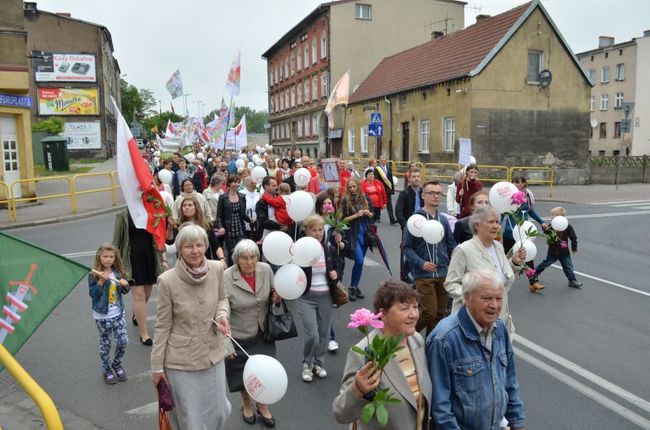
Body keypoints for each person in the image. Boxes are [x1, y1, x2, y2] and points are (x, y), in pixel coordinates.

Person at [150, 223, 232, 430]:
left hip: (213, 352)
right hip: (181, 360)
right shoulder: (167, 281)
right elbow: (162, 326)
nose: (195, 250)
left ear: (205, 245)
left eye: (199, 245)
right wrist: (157, 367)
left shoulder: (216, 269)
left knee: (220, 411)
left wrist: (222, 315)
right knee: (190, 418)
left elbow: (223, 299)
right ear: (179, 249)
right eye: (188, 246)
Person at [427, 270, 527, 430]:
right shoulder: (444, 339)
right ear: (467, 298)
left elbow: (510, 382)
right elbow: (440, 407)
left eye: (498, 298)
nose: (494, 305)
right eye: (487, 298)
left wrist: (518, 423)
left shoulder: (500, 328)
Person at [333, 280, 432, 430]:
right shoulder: (363, 352)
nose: (413, 314)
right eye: (404, 308)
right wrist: (357, 390)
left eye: (415, 307)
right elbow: (341, 413)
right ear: (383, 314)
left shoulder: (416, 340)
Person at [223, 240, 280, 427]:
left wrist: (276, 297)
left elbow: (273, 295)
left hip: (263, 331)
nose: (250, 262)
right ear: (236, 260)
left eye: (253, 257)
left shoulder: (266, 270)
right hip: (238, 335)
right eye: (244, 258)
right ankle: (246, 402)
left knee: (264, 372)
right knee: (242, 374)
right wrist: (225, 343)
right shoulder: (226, 277)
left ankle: (263, 405)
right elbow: (221, 309)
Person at [444, 207, 526, 333]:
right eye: (490, 222)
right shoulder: (463, 250)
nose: (496, 226)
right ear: (477, 225)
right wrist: (473, 298)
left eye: (497, 222)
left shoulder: (498, 247)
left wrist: (514, 263)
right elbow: (450, 284)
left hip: (499, 318)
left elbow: (500, 277)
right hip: (473, 320)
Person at [403, 181, 457, 333]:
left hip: (443, 273)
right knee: (429, 312)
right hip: (424, 274)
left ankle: (431, 347)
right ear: (423, 195)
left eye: (438, 193)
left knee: (439, 315)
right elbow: (407, 248)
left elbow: (451, 245)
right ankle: (404, 334)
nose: (435, 196)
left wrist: (459, 260)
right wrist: (421, 263)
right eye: (431, 193)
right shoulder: (415, 220)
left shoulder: (443, 220)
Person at [113, 209, 165, 346]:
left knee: (147, 294)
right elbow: (116, 241)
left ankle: (137, 313)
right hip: (131, 260)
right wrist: (114, 265)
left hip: (150, 257)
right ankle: (144, 334)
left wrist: (163, 258)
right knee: (139, 295)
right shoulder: (123, 215)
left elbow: (160, 236)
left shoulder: (152, 211)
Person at [297, 215, 338, 382]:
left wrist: (335, 274)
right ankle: (307, 364)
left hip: (325, 296)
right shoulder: (299, 249)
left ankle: (319, 363)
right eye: (314, 230)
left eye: (320, 229)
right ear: (306, 231)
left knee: (323, 333)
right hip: (306, 297)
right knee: (312, 334)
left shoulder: (327, 248)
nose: (318, 233)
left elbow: (336, 267)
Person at [88, 243, 130, 385]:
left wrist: (125, 284)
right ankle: (106, 369)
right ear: (99, 257)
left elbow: (125, 291)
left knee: (123, 341)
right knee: (106, 344)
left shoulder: (117, 273)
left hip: (118, 313)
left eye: (111, 256)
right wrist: (100, 281)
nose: (108, 259)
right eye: (105, 256)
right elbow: (93, 295)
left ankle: (116, 364)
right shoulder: (94, 275)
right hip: (102, 316)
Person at [501, 176, 547, 293]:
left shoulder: (527, 196)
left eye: (518, 182)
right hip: (509, 233)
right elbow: (502, 214)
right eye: (514, 182)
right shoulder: (508, 197)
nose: (515, 184)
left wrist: (542, 223)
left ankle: (533, 282)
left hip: (523, 233)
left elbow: (531, 212)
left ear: (524, 184)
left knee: (528, 257)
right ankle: (503, 282)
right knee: (507, 259)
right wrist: (498, 228)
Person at [315, 192, 347, 353]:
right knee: (319, 306)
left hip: (332, 265)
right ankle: (322, 337)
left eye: (331, 203)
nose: (329, 206)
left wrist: (340, 243)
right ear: (320, 205)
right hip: (316, 266)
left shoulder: (335, 223)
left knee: (327, 304)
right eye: (326, 203)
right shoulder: (313, 223)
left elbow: (342, 245)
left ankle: (330, 338)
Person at [341, 178, 374, 300]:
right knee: (359, 261)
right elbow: (342, 220)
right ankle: (352, 287)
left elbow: (372, 215)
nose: (352, 189)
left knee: (359, 264)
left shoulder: (365, 198)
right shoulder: (345, 200)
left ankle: (354, 286)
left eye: (354, 186)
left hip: (365, 234)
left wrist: (369, 214)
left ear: (358, 186)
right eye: (350, 187)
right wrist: (356, 215)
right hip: (353, 235)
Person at [535, 207, 582, 288]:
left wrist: (574, 247)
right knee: (545, 263)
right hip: (553, 251)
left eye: (553, 215)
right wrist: (545, 227)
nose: (551, 216)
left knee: (568, 266)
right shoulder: (552, 225)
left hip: (564, 252)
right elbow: (546, 232)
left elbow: (573, 237)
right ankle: (534, 274)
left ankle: (572, 280)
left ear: (559, 216)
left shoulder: (567, 226)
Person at [395, 168, 424, 282]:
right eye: (414, 176)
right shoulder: (405, 193)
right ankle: (405, 274)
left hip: (423, 226)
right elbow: (398, 210)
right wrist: (405, 225)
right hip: (409, 226)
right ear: (409, 178)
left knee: (418, 251)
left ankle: (407, 271)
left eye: (418, 176)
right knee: (408, 250)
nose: (416, 178)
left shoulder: (423, 192)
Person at [175, 196, 225, 261]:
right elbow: (170, 242)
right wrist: (170, 227)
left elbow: (216, 245)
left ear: (196, 208)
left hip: (204, 261)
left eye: (190, 205)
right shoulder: (178, 225)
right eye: (184, 206)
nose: (186, 208)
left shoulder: (206, 225)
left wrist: (222, 258)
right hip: (185, 262)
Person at [216, 174, 251, 265]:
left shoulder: (242, 196)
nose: (236, 184)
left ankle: (242, 269)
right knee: (231, 252)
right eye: (234, 182)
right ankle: (231, 272)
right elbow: (219, 215)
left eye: (238, 182)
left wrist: (250, 220)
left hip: (240, 227)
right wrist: (220, 227)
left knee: (241, 251)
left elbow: (242, 214)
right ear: (229, 183)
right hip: (228, 228)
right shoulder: (223, 197)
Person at [375, 154, 397, 225]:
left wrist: (392, 189)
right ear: (380, 161)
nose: (383, 162)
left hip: (388, 190)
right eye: (382, 160)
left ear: (386, 161)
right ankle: (377, 217)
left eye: (385, 160)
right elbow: (377, 180)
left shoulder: (389, 168)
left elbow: (390, 180)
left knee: (389, 205)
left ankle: (392, 220)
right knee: (379, 204)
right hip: (381, 190)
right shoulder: (377, 169)